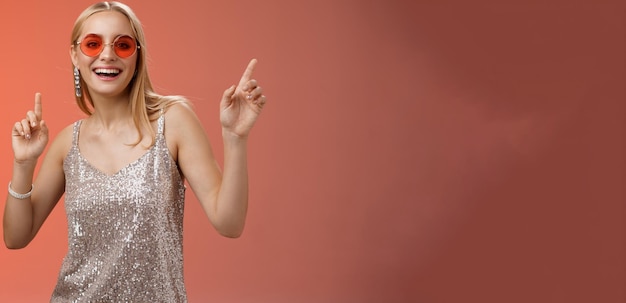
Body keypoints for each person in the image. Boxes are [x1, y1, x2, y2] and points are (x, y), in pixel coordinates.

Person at [3, 1, 266, 302]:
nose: (107, 54)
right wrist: (23, 163)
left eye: (123, 45)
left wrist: (234, 137)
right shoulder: (67, 143)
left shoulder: (174, 121)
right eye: (93, 44)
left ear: (137, 56)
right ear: (75, 55)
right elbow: (15, 237)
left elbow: (229, 223)